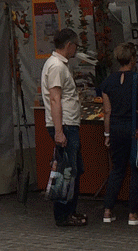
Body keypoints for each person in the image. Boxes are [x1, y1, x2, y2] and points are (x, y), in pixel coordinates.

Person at [99, 42, 138, 226]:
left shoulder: (108, 82)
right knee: (137, 171)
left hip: (115, 129)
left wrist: (107, 134)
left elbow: (107, 111)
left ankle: (107, 211)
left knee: (117, 170)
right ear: (132, 59)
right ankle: (133, 214)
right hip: (135, 129)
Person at [40, 28, 86, 227]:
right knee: (67, 171)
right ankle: (64, 214)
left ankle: (69, 211)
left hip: (67, 123)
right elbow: (55, 98)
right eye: (75, 45)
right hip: (65, 124)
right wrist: (59, 131)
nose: (76, 49)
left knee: (73, 169)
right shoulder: (57, 66)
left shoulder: (57, 65)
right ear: (69, 45)